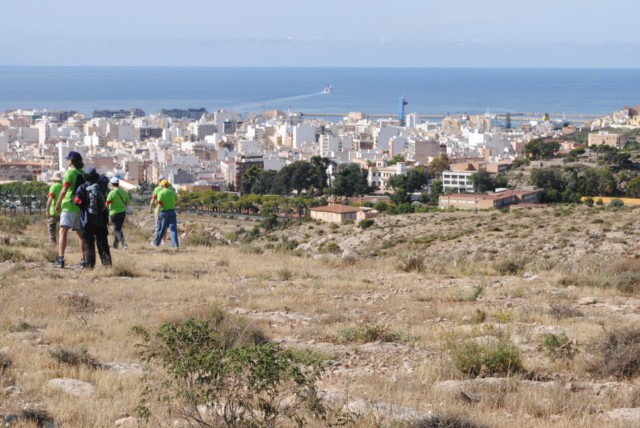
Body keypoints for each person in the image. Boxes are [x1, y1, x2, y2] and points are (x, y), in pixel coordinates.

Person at [73, 168, 112, 269]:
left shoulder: (82, 187)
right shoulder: (101, 186)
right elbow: (105, 180)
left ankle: (90, 266)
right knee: (103, 243)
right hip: (101, 220)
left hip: (86, 220)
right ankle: (107, 265)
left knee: (89, 243)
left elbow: (76, 201)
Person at [54, 151, 86, 269]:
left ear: (71, 161)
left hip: (68, 205)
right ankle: (84, 259)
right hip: (79, 206)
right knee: (80, 234)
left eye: (68, 159)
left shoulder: (69, 173)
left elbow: (64, 190)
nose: (67, 160)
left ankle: (60, 259)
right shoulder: (83, 173)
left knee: (63, 231)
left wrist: (58, 203)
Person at [152, 179, 178, 250]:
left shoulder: (160, 193)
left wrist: (158, 215)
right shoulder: (172, 192)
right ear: (168, 185)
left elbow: (159, 205)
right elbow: (175, 199)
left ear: (162, 185)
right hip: (172, 212)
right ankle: (175, 245)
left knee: (162, 229)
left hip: (163, 213)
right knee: (173, 229)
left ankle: (156, 243)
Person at [106, 177, 129, 250]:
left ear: (112, 184)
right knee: (118, 229)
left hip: (114, 213)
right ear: (118, 184)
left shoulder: (111, 193)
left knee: (116, 230)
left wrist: (105, 212)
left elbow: (107, 204)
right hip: (123, 212)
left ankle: (124, 244)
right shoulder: (124, 192)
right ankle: (115, 246)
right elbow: (127, 202)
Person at [46, 171, 63, 245]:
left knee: (51, 226)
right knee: (62, 228)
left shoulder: (53, 186)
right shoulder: (63, 186)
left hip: (54, 211)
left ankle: (52, 242)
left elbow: (50, 199)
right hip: (63, 210)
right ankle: (62, 242)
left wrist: (47, 210)